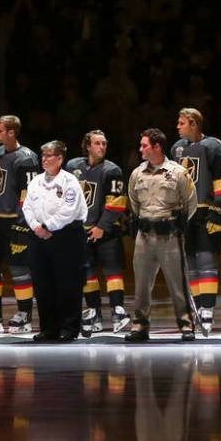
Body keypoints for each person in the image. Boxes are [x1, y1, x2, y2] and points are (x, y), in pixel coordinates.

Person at [125, 128, 197, 342]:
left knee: (177, 284)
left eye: (144, 145)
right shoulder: (137, 173)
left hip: (170, 236)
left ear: (157, 147)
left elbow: (190, 201)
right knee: (141, 286)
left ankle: (186, 326)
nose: (140, 149)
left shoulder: (177, 172)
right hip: (145, 236)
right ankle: (139, 326)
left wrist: (179, 223)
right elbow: (133, 202)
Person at [171, 108, 221, 334]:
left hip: (207, 211)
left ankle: (208, 309)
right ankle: (197, 308)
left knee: (206, 261)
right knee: (191, 264)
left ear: (194, 123)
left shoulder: (215, 147)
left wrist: (219, 210)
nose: (178, 127)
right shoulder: (176, 149)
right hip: (185, 214)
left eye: (182, 123)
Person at [66, 129, 130, 335]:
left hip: (107, 231)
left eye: (104, 143)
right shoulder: (73, 167)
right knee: (88, 274)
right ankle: (94, 313)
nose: (102, 147)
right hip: (81, 231)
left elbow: (117, 204)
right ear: (87, 146)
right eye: (97, 143)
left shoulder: (113, 170)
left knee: (113, 271)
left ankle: (118, 312)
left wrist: (102, 227)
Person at [23, 140, 88, 342]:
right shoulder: (35, 181)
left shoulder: (69, 181)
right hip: (39, 236)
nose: (44, 159)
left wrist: (48, 226)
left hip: (66, 236)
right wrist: (36, 227)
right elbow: (27, 207)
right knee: (43, 284)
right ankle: (48, 328)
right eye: (43, 155)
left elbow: (69, 211)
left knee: (68, 284)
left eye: (49, 155)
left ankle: (69, 328)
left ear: (60, 158)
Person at [0, 114, 39, 333]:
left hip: (15, 222)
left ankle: (24, 314)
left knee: (19, 269)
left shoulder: (27, 158)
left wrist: (22, 220)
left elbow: (29, 193)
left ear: (11, 132)